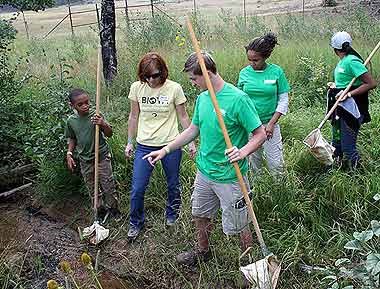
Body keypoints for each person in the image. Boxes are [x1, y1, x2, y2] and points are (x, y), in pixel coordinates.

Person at [143, 51, 267, 266]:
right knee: (200, 214)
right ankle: (203, 251)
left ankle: (249, 264)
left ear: (207, 74)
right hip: (205, 171)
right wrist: (165, 150)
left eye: (194, 78)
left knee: (240, 223)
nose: (192, 83)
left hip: (230, 175)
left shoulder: (238, 99)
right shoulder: (203, 98)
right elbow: (192, 130)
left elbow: (260, 134)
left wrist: (243, 151)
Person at [125, 52, 196, 240]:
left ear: (163, 72)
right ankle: (136, 222)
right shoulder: (137, 88)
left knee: (173, 183)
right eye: (146, 76)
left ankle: (172, 215)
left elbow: (183, 116)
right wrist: (130, 142)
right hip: (144, 145)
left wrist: (190, 142)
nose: (151, 80)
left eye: (155, 75)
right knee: (138, 188)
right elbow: (133, 116)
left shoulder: (174, 88)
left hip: (170, 144)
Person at [237, 32, 290, 175]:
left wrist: (272, 123)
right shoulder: (244, 73)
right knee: (254, 160)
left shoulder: (276, 72)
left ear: (265, 56)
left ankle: (280, 189)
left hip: (269, 124)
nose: (252, 63)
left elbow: (284, 99)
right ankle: (257, 189)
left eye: (256, 60)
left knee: (276, 162)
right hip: (250, 125)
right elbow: (239, 99)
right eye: (249, 60)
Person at [65, 88, 120, 221]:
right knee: (92, 188)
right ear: (72, 106)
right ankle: (100, 210)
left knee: (108, 185)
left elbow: (109, 134)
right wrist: (69, 153)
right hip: (85, 161)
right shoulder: (71, 121)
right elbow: (72, 138)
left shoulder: (96, 115)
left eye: (87, 102)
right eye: (80, 104)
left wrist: (102, 123)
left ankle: (114, 210)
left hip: (101, 157)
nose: (85, 106)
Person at [328, 31, 377, 169]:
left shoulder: (352, 61)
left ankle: (357, 176)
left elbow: (371, 83)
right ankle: (336, 169)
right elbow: (346, 81)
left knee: (348, 146)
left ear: (334, 48)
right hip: (340, 108)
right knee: (336, 142)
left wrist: (348, 94)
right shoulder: (343, 62)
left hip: (351, 109)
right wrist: (335, 86)